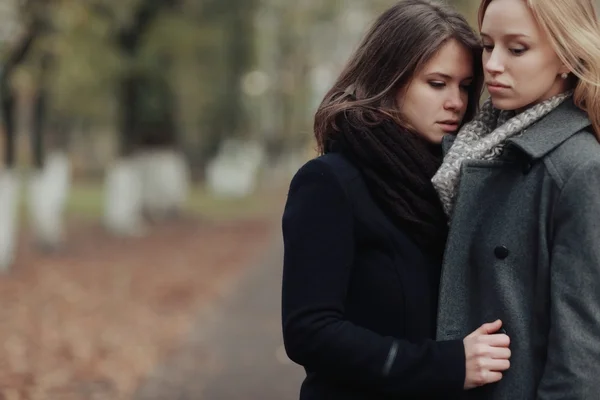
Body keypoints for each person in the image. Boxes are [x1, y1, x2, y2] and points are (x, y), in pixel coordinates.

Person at [281, 1, 511, 399]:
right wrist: (447, 364)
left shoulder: (459, 183)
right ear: (389, 79)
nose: (456, 101)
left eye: (465, 85)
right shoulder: (329, 182)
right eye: (437, 83)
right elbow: (310, 332)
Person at [432, 0, 600, 398]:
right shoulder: (475, 149)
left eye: (517, 48)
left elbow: (581, 356)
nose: (492, 64)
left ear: (566, 56)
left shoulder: (579, 169)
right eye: (488, 45)